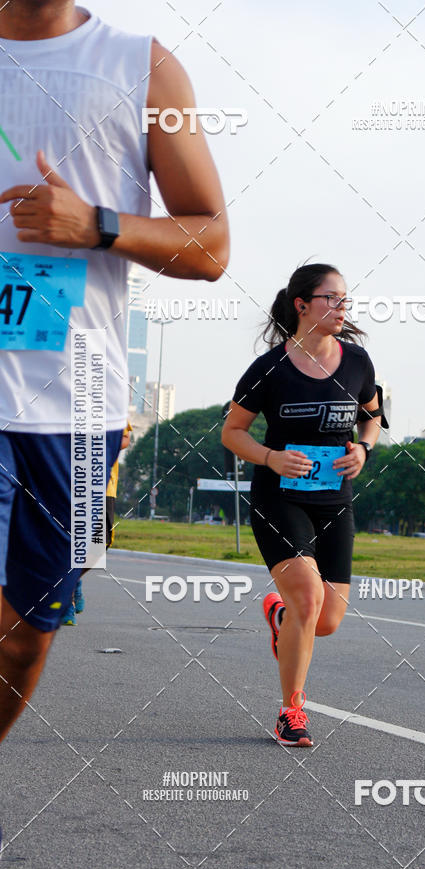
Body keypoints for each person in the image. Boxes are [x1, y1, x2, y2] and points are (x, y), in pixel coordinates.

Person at [0, 1, 229, 744]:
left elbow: (211, 244)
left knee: (29, 631)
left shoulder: (144, 67)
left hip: (77, 409)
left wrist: (97, 223)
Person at [222, 264, 385, 747]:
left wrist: (364, 448)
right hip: (279, 498)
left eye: (344, 300)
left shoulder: (357, 361)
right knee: (309, 601)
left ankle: (280, 617)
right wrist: (271, 456)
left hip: (335, 502)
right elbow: (233, 433)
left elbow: (372, 417)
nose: (341, 308)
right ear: (302, 304)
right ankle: (291, 711)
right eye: (331, 299)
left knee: (326, 621)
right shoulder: (269, 368)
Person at [61, 422, 132, 625]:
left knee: (100, 544)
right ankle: (67, 599)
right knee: (68, 538)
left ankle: (73, 580)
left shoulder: (106, 399)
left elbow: (125, 438)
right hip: (68, 481)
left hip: (104, 483)